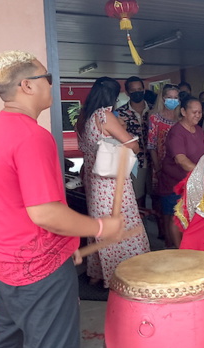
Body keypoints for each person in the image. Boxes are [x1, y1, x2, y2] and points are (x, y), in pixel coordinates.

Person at [0, 50, 124, 348]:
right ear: (27, 86)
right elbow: (44, 213)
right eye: (47, 77)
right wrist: (100, 228)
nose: (51, 83)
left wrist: (63, 247)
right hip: (36, 269)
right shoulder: (32, 137)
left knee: (8, 336)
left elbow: (15, 203)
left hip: (6, 259)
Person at [77, 77, 150, 287]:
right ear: (113, 96)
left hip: (93, 182)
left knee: (99, 228)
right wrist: (123, 130)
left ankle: (96, 273)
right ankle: (123, 276)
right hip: (111, 183)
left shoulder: (85, 117)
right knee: (121, 225)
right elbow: (132, 145)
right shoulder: (104, 115)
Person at [160, 96, 204, 247]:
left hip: (192, 182)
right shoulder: (177, 132)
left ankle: (189, 248)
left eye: (199, 112)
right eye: (194, 112)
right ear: (183, 112)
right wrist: (203, 173)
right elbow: (181, 160)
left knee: (191, 216)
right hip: (175, 183)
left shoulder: (199, 130)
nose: (197, 115)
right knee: (177, 218)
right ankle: (180, 252)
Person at [147, 83, 181, 245]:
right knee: (166, 209)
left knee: (179, 209)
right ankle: (169, 243)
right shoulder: (155, 118)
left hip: (180, 169)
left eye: (176, 97)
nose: (172, 100)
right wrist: (158, 168)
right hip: (162, 168)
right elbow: (152, 145)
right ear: (163, 98)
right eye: (169, 97)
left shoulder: (181, 118)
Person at [116, 76, 150, 208]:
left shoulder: (153, 111)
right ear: (127, 93)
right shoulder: (120, 113)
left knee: (158, 197)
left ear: (144, 90)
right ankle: (141, 227)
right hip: (134, 162)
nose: (137, 92)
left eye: (139, 89)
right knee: (137, 198)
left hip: (156, 160)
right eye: (133, 90)